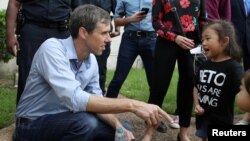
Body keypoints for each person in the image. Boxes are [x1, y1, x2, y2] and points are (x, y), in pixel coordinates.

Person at [14, 5, 173, 141]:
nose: (109, 39)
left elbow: (96, 101)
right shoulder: (52, 49)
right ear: (83, 33)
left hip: (68, 120)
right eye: (103, 33)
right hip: (31, 124)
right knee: (86, 123)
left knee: (123, 130)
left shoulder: (91, 62)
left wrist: (118, 126)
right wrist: (133, 105)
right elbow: (75, 98)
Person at [148, 0, 206, 140]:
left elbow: (202, 20)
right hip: (167, 41)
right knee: (159, 86)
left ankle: (183, 133)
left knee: (188, 86)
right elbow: (156, 21)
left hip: (192, 43)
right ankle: (149, 132)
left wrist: (204, 41)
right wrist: (175, 37)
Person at [5, 0, 80, 105]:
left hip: (61, 32)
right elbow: (14, 3)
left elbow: (77, 8)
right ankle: (25, 118)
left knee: (62, 77)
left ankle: (58, 117)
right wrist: (9, 34)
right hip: (32, 31)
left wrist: (78, 37)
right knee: (27, 76)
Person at [193, 20, 243, 141]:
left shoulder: (234, 68)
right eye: (202, 39)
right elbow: (195, 86)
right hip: (203, 117)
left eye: (208, 38)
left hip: (222, 121)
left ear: (224, 41)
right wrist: (197, 104)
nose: (203, 43)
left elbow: (244, 92)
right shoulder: (204, 65)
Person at [105, 0, 156, 99]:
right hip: (129, 40)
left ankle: (154, 111)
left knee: (154, 80)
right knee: (119, 77)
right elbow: (116, 20)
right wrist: (131, 19)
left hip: (151, 39)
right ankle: (106, 108)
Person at [79, 0, 120, 95]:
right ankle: (78, 93)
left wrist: (117, 29)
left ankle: (99, 94)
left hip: (101, 37)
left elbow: (117, 11)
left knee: (100, 68)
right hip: (82, 36)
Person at [231, 0, 250, 125]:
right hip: (233, 40)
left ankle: (247, 117)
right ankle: (225, 114)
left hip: (249, 41)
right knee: (231, 76)